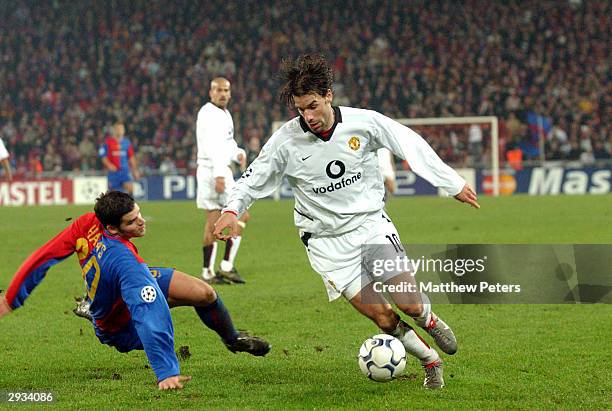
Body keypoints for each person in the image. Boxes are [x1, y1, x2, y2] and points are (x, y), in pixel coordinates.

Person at [214, 55, 480, 389]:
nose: (308, 117)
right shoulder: (285, 141)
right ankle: (430, 361)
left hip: (371, 227)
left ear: (328, 95)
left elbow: (409, 142)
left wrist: (451, 183)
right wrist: (230, 209)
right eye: (300, 110)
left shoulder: (364, 123)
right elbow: (251, 180)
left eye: (312, 106)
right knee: (382, 317)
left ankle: (428, 319)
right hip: (326, 243)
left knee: (409, 303)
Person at [0, 191, 270, 390]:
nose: (141, 222)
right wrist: (166, 371)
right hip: (119, 326)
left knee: (205, 293)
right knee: (154, 309)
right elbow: (146, 311)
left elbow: (44, 255)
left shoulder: (88, 224)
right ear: (112, 228)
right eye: (132, 221)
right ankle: (96, 312)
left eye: (138, 213)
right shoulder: (125, 261)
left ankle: (233, 339)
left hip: (117, 284)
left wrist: (11, 299)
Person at [196, 77, 249, 285]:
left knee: (217, 219)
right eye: (218, 90)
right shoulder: (209, 114)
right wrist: (219, 174)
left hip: (219, 170)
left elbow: (227, 143)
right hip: (213, 171)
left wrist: (237, 154)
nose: (223, 94)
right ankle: (223, 267)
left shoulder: (223, 114)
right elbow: (213, 146)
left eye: (226, 90)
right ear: (211, 93)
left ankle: (209, 271)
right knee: (239, 214)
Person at [99, 119, 141, 195]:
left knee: (130, 188)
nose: (119, 130)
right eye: (118, 129)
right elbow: (103, 156)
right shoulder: (108, 142)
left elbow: (131, 158)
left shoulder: (127, 143)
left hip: (124, 171)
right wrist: (109, 165)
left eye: (121, 129)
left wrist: (135, 170)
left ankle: (129, 206)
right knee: (113, 195)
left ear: (124, 130)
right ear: (114, 130)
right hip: (113, 173)